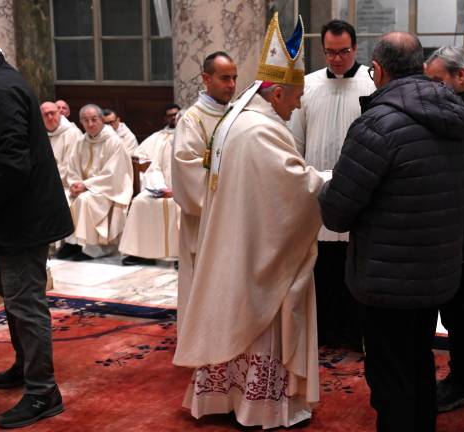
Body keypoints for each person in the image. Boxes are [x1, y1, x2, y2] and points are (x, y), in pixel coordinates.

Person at [319, 32, 464, 432]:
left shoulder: (377, 124)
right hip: (437, 271)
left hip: (386, 277)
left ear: (377, 69)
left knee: (390, 376)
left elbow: (336, 212)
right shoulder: (462, 119)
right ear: (422, 67)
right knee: (419, 363)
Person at [173, 13, 326, 428]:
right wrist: (329, 179)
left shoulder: (237, 118)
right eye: (295, 97)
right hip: (258, 251)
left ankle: (229, 397)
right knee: (260, 320)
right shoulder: (260, 129)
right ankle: (259, 405)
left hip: (237, 243)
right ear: (276, 92)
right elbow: (293, 190)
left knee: (232, 317)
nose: (297, 106)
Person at [0, 19, 73, 428]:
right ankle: (26, 367)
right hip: (12, 214)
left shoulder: (0, 90)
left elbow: (11, 162)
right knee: (12, 294)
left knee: (26, 302)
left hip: (22, 216)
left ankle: (44, 393)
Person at [287, 19, 375, 350]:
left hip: (359, 190)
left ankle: (355, 333)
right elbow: (295, 140)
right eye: (330, 52)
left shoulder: (372, 84)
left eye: (343, 52)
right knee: (321, 264)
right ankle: (323, 331)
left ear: (355, 49)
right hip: (317, 188)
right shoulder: (308, 86)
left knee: (354, 264)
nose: (336, 59)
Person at [423, 45, 464, 412]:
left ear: (460, 77)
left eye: (437, 80)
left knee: (460, 311)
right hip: (458, 226)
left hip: (461, 227)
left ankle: (463, 379)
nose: (431, 88)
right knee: (460, 309)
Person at [171, 51, 236, 329]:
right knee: (204, 278)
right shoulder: (191, 120)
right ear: (206, 79)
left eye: (234, 78)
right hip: (205, 220)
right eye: (224, 78)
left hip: (233, 216)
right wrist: (231, 183)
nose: (231, 85)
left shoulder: (236, 115)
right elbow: (187, 168)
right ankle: (201, 336)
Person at [57, 104, 133, 260]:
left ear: (102, 120)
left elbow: (113, 174)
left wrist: (86, 185)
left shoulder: (114, 142)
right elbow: (73, 168)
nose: (90, 124)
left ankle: (91, 249)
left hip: (109, 189)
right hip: (86, 188)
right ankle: (72, 243)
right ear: (81, 123)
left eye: (94, 119)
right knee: (64, 197)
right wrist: (76, 184)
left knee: (85, 200)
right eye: (86, 120)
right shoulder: (80, 142)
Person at [118, 109, 181, 266]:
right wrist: (160, 187)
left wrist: (177, 191)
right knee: (140, 202)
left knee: (178, 206)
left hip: (184, 194)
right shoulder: (167, 144)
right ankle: (140, 253)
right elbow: (155, 167)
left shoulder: (197, 144)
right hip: (164, 189)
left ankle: (181, 255)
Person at [40, 101, 83, 190]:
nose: (50, 117)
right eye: (46, 114)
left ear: (59, 114)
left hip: (64, 185)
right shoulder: (39, 134)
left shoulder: (73, 134)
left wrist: (47, 179)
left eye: (52, 113)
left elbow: (69, 166)